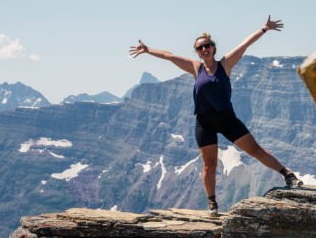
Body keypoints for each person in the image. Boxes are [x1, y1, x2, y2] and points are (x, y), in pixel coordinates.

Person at [129, 16, 302, 216]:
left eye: (207, 46)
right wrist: (147, 49)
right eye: (200, 48)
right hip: (204, 123)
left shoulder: (226, 64)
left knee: (255, 150)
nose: (204, 50)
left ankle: (287, 175)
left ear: (213, 47)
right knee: (209, 165)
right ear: (197, 52)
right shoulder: (195, 67)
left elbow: (245, 44)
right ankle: (212, 204)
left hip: (227, 119)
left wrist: (264, 28)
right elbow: (169, 55)